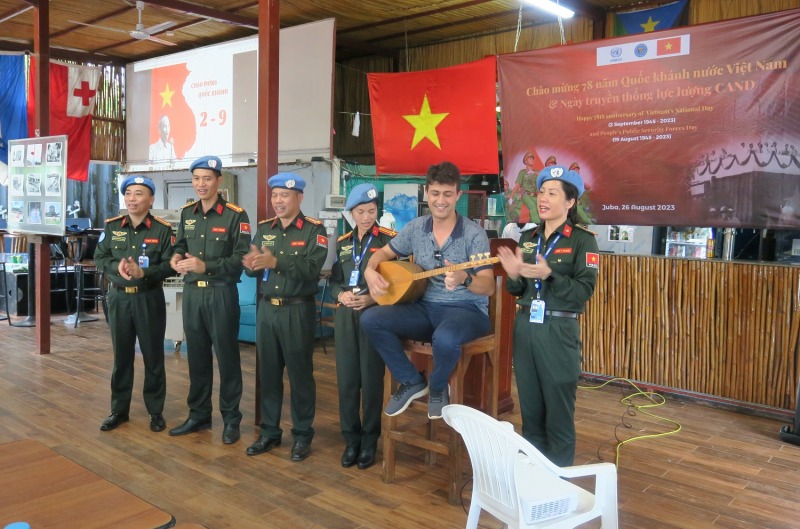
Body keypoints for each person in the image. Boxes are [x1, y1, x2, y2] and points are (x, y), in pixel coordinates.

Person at [360, 161, 495, 420]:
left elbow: (487, 286)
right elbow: (383, 254)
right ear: (426, 193)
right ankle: (412, 381)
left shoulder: (473, 234)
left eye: (447, 194)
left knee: (445, 338)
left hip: (466, 311)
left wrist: (465, 278)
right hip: (424, 308)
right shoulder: (416, 227)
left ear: (458, 195)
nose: (440, 200)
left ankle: (437, 386)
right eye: (435, 193)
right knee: (371, 319)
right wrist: (369, 269)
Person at [497, 165, 599, 467]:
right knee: (530, 410)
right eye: (541, 192)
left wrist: (549, 274)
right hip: (526, 326)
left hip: (559, 329)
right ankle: (534, 480)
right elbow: (518, 290)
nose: (543, 198)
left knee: (558, 413)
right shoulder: (528, 238)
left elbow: (583, 291)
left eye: (552, 193)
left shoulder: (583, 241)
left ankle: (560, 485)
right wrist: (514, 275)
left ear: (570, 202)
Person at [242, 172, 328, 461]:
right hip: (267, 308)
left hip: (297, 309)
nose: (278, 201)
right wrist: (251, 263)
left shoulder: (315, 231)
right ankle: (269, 432)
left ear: (299, 198)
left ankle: (302, 435)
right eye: (274, 195)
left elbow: (311, 269)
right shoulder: (265, 228)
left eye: (284, 196)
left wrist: (275, 261)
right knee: (268, 374)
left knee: (300, 375)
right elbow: (252, 269)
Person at [169, 155, 250, 445]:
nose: (200, 184)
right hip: (193, 294)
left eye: (206, 178)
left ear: (218, 181)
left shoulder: (235, 215)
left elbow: (240, 258)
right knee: (197, 357)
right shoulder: (187, 213)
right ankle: (199, 415)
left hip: (220, 292)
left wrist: (207, 266)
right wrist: (176, 258)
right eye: (196, 179)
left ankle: (231, 419)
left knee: (227, 358)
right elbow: (179, 244)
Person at [94, 176, 175, 433]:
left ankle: (155, 411)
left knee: (153, 356)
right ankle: (119, 410)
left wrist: (145, 273)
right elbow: (99, 256)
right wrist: (113, 266)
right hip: (118, 298)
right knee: (122, 356)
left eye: (138, 194)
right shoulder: (112, 226)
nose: (131, 198)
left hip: (148, 298)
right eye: (128, 193)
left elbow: (169, 265)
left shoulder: (162, 230)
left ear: (150, 199)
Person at [329, 183, 396, 470]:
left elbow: (398, 282)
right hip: (345, 317)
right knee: (347, 381)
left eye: (371, 210)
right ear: (351, 214)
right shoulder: (344, 242)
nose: (367, 217)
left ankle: (369, 441)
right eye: (360, 212)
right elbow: (333, 280)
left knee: (370, 382)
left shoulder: (390, 242)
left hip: (374, 316)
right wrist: (339, 294)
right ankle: (351, 440)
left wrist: (371, 299)